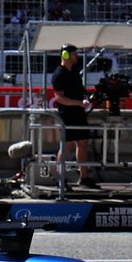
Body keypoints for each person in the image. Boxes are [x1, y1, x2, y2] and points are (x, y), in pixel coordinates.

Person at [49, 44, 96, 186]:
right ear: (66, 55)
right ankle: (61, 178)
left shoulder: (74, 72)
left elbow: (81, 90)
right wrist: (78, 103)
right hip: (67, 114)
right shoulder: (59, 74)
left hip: (79, 113)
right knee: (66, 146)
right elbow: (59, 98)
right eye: (75, 54)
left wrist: (86, 99)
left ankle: (84, 176)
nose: (77, 57)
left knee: (82, 143)